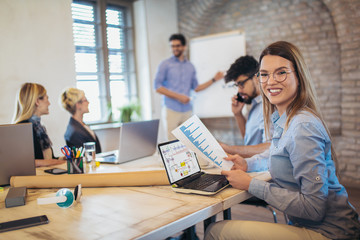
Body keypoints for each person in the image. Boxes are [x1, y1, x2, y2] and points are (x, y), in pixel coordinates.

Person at [205, 41, 360, 240]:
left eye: (281, 72)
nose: (270, 81)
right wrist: (247, 163)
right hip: (311, 226)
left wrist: (252, 184)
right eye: (264, 74)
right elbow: (275, 153)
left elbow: (314, 208)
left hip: (330, 233)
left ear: (299, 76)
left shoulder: (302, 126)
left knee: (215, 232)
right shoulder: (284, 118)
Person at [154, 33, 224, 140]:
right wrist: (179, 96)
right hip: (171, 109)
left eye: (177, 46)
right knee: (172, 143)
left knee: (189, 143)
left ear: (184, 47)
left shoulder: (190, 66)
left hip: (187, 110)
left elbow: (196, 88)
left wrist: (214, 79)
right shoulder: (165, 64)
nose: (174, 49)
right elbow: (157, 87)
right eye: (172, 46)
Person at [220, 55, 271, 158]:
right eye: (237, 85)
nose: (239, 90)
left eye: (241, 84)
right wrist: (238, 114)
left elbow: (269, 147)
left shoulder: (268, 107)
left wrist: (229, 149)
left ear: (257, 77)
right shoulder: (255, 105)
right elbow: (250, 142)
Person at [13, 82, 66, 167]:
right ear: (37, 101)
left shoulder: (39, 127)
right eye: (47, 99)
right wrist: (57, 162)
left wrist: (61, 159)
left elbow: (46, 158)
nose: (49, 103)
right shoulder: (22, 128)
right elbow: (25, 162)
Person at [61, 88, 101, 153]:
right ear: (78, 105)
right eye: (85, 100)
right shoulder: (74, 131)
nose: (88, 102)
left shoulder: (81, 124)